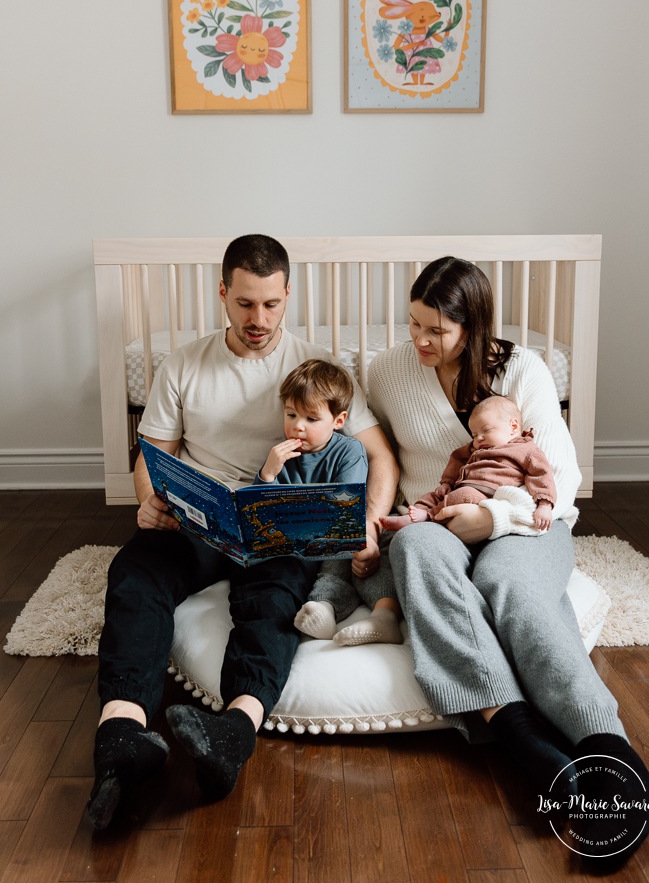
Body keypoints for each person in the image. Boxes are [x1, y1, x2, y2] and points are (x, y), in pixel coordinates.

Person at [88, 234, 398, 829]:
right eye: (245, 304)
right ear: (223, 293)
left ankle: (233, 732)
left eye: (271, 305)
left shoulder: (316, 369)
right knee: (134, 573)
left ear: (288, 296)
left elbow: (378, 455)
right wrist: (150, 501)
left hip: (276, 523)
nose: (259, 319)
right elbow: (153, 454)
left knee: (274, 600)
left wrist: (368, 522)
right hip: (202, 517)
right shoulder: (183, 364)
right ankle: (122, 733)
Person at [367, 256, 649, 870]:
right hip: (439, 519)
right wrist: (391, 517)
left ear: (471, 327)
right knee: (414, 550)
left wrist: (495, 521)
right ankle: (518, 733)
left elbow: (563, 478)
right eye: (413, 323)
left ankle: (610, 751)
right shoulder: (388, 372)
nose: (419, 340)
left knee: (510, 586)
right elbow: (377, 456)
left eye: (436, 330)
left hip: (526, 521)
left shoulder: (524, 369)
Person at [259, 358, 402, 647]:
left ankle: (385, 615)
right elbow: (262, 510)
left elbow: (345, 509)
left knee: (369, 551)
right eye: (290, 415)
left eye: (311, 419)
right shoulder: (281, 456)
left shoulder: (349, 450)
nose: (298, 427)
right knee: (327, 564)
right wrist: (268, 473)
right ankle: (324, 607)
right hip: (303, 544)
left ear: (338, 421)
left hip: (340, 533)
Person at [380, 394, 556, 533]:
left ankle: (427, 516)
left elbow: (542, 475)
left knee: (463, 494)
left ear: (513, 426)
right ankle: (414, 513)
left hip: (487, 495)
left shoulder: (526, 449)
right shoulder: (475, 448)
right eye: (474, 434)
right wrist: (446, 483)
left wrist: (544, 505)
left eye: (486, 430)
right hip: (462, 488)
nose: (478, 438)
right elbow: (457, 458)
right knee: (432, 496)